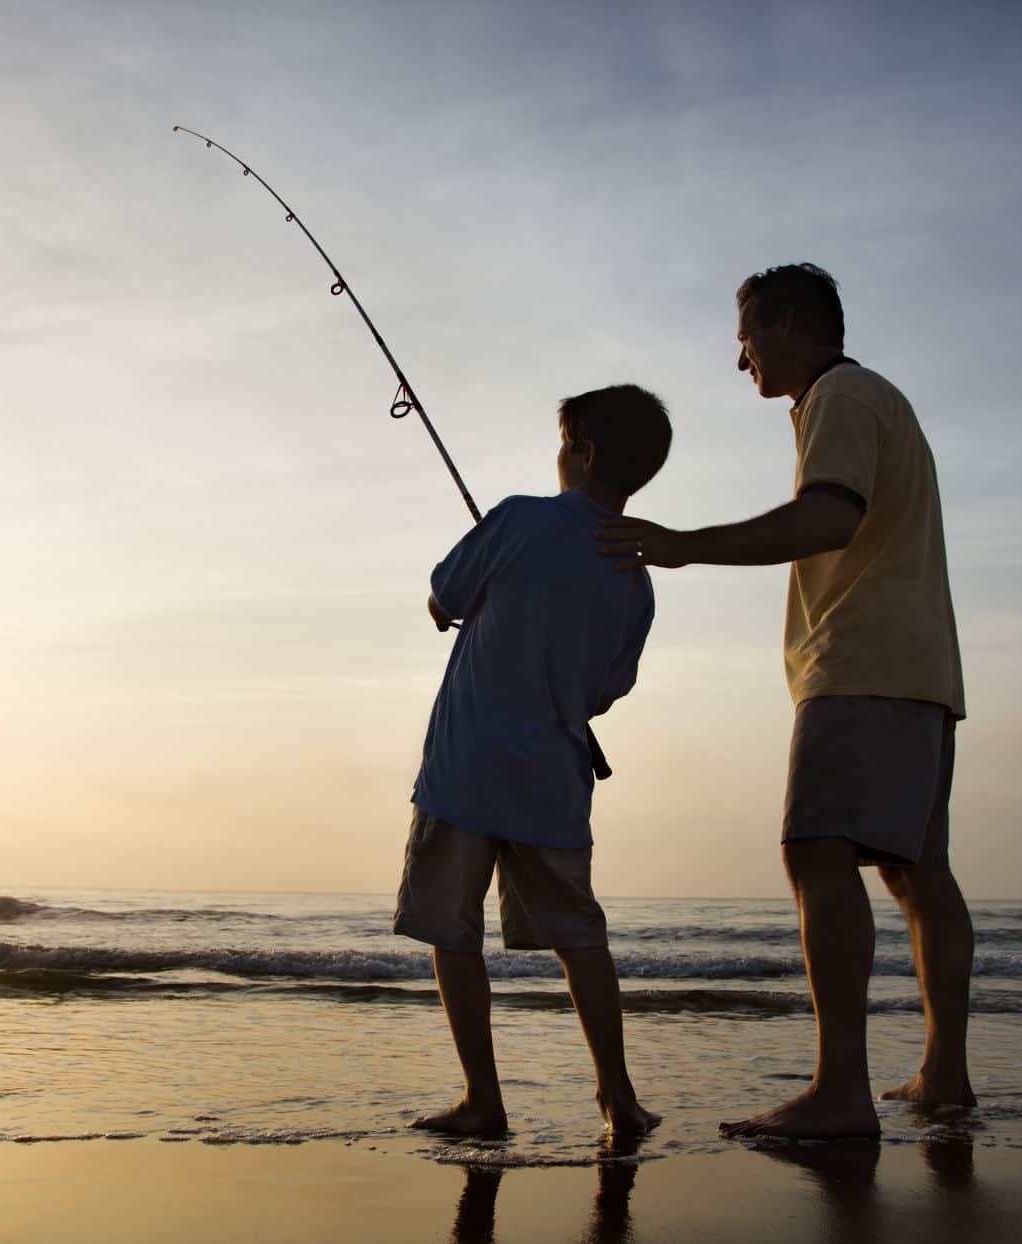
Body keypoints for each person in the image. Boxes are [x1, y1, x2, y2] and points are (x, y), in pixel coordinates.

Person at [595, 264, 975, 1140]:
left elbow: (828, 520)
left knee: (814, 852)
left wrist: (684, 545)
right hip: (920, 670)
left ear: (792, 326)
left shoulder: (840, 396)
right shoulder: (879, 399)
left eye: (747, 340)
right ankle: (943, 1075)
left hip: (860, 663)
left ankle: (841, 1090)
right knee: (916, 873)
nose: (742, 362)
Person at [395, 383, 671, 1138]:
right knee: (580, 936)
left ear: (580, 453)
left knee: (455, 933)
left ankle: (484, 1101)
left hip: (464, 770)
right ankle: (618, 1097)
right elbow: (607, 691)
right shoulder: (636, 576)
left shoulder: (519, 518)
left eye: (562, 443)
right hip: (553, 780)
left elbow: (441, 597)